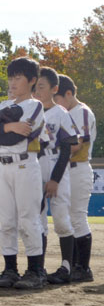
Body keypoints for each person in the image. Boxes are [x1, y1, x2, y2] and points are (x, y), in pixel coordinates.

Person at [0, 57, 46, 290]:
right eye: (11, 77)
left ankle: (35, 271)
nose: (12, 82)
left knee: (28, 219)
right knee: (7, 221)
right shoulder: (3, 106)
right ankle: (10, 269)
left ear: (32, 80)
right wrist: (10, 126)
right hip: (3, 166)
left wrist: (2, 132)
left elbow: (16, 138)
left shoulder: (35, 106)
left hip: (24, 165)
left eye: (18, 77)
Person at [33, 68, 78, 285]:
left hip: (55, 163)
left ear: (54, 89)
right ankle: (38, 268)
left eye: (42, 86)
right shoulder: (30, 110)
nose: (37, 91)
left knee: (61, 219)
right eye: (35, 87)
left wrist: (55, 180)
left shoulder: (60, 113)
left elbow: (67, 148)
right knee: (38, 220)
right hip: (35, 165)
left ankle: (66, 267)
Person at [54, 74, 97, 282]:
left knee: (77, 217)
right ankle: (71, 265)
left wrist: (51, 149)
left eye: (57, 98)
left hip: (78, 168)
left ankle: (83, 267)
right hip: (66, 169)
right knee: (68, 218)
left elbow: (77, 145)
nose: (55, 103)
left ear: (69, 94)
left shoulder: (81, 112)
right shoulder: (65, 113)